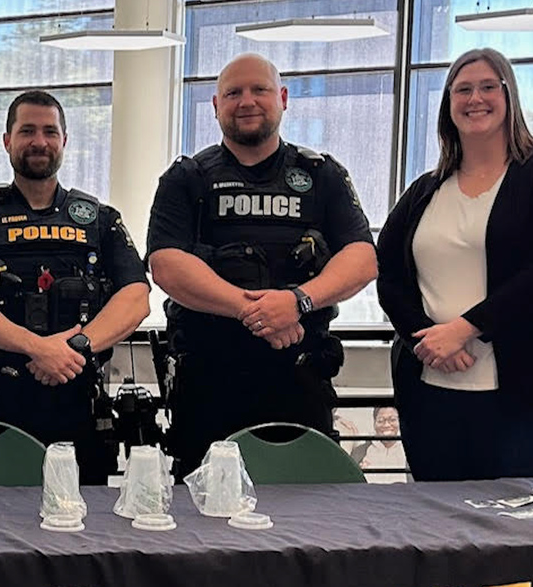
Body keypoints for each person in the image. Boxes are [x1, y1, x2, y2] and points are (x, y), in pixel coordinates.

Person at [146, 54, 378, 479]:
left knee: (307, 516)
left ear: (283, 98)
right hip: (209, 384)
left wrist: (297, 302)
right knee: (202, 523)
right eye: (233, 93)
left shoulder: (322, 176)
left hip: (299, 378)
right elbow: (166, 265)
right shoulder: (187, 179)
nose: (246, 101)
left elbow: (362, 258)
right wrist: (253, 310)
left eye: (260, 90)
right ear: (216, 105)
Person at [377, 48, 533, 481]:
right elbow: (387, 272)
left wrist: (464, 329)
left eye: (487, 86)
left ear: (509, 96)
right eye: (462, 89)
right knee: (439, 524)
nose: (474, 98)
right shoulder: (426, 190)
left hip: (530, 387)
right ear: (447, 104)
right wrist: (424, 337)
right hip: (432, 387)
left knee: (517, 524)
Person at [0, 91, 150, 484]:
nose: (40, 141)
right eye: (28, 131)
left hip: (79, 400)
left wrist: (75, 348)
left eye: (50, 131)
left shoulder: (99, 221)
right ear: (7, 141)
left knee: (83, 528)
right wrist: (37, 347)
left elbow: (136, 296)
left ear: (65, 140)